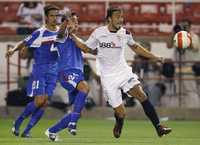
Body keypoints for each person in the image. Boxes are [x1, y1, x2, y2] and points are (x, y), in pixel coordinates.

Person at [71, 7, 172, 138]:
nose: (120, 19)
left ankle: (158, 127)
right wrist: (72, 36)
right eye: (117, 16)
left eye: (121, 17)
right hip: (108, 77)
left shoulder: (125, 33)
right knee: (121, 113)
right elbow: (85, 48)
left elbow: (137, 48)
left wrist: (155, 57)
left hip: (123, 72)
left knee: (142, 95)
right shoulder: (98, 33)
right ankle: (119, 122)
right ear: (109, 19)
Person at [6, 4, 60, 138]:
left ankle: (27, 130)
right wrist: (13, 50)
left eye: (56, 15)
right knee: (39, 100)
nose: (55, 18)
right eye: (52, 16)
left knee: (44, 102)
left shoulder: (60, 32)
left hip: (54, 71)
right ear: (46, 17)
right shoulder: (40, 32)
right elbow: (24, 43)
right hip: (40, 70)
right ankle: (18, 121)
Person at [45, 12, 89, 142]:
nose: (77, 24)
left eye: (77, 22)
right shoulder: (62, 35)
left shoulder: (75, 38)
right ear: (66, 22)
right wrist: (65, 23)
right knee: (85, 88)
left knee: (78, 111)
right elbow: (59, 33)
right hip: (66, 72)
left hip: (77, 74)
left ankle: (51, 131)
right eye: (74, 21)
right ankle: (73, 124)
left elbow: (87, 48)